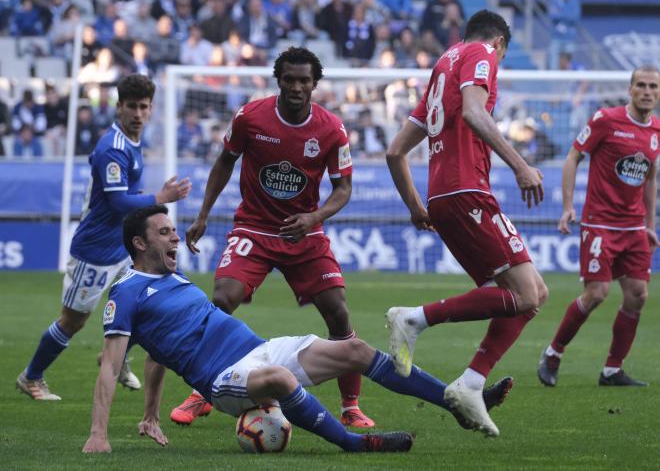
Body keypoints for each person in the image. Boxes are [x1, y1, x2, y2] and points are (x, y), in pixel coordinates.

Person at [82, 205, 514, 452]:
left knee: (355, 351)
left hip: (260, 349)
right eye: (164, 233)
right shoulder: (127, 293)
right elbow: (109, 364)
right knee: (280, 378)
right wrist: (98, 435)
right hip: (224, 380)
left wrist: (150, 416)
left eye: (175, 231)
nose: (176, 238)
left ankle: (456, 403)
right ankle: (352, 443)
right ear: (140, 244)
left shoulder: (173, 279)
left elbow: (157, 352)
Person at [170, 46, 375, 429]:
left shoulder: (331, 129)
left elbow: (343, 189)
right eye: (290, 79)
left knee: (338, 311)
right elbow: (224, 162)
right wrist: (202, 214)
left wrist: (314, 216)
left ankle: (350, 405)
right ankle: (202, 392)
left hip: (304, 232)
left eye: (304, 81)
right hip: (255, 228)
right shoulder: (251, 117)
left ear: (315, 84)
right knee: (220, 300)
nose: (297, 87)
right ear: (278, 80)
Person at [384, 10, 548, 437]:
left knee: (530, 293)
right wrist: (520, 165)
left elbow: (395, 150)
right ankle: (414, 318)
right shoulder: (481, 53)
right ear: (500, 44)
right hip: (466, 192)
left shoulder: (443, 65)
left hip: (442, 196)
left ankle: (471, 384)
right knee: (527, 295)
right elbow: (475, 113)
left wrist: (417, 206)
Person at [16, 74, 192, 401]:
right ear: (119, 107)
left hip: (121, 246)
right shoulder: (113, 147)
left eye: (144, 107)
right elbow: (117, 202)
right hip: (95, 249)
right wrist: (160, 196)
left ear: (151, 108)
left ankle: (117, 356)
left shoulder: (134, 142)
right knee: (73, 321)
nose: (138, 113)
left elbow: (127, 197)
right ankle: (31, 377)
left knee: (146, 302)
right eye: (132, 107)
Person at [538, 66, 660, 387]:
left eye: (654, 87)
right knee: (597, 294)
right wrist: (568, 207)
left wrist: (650, 224)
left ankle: (612, 370)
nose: (648, 91)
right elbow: (572, 158)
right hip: (600, 224)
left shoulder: (656, 130)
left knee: (638, 295)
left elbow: (649, 178)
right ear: (630, 89)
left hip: (634, 229)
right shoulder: (606, 120)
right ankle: (553, 353)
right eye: (642, 85)